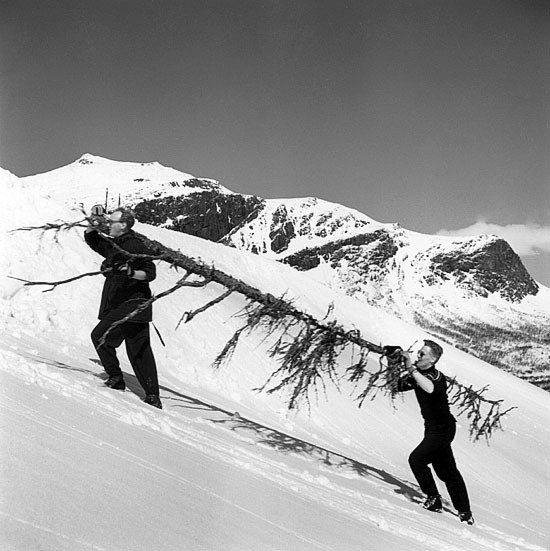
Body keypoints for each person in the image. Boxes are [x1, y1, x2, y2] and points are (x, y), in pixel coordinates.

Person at [85, 207, 162, 409]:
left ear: (124, 225)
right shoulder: (115, 244)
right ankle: (152, 395)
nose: (108, 224)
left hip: (133, 304)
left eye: (112, 221)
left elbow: (149, 273)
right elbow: (94, 240)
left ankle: (117, 379)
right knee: (138, 350)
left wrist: (130, 272)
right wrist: (93, 223)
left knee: (102, 337)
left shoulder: (135, 244)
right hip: (125, 305)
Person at [394, 339, 474, 525]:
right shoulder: (418, 376)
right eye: (418, 353)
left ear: (433, 360)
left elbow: (429, 388)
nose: (418, 356)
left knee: (417, 459)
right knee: (446, 472)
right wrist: (396, 360)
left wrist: (411, 369)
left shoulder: (437, 377)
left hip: (443, 429)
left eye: (422, 354)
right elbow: (399, 386)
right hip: (433, 430)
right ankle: (465, 512)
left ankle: (434, 499)